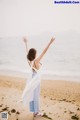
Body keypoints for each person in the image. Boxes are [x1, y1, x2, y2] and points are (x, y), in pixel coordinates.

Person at [22, 37, 55, 117]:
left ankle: (34, 111)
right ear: (34, 54)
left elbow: (27, 53)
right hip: (36, 80)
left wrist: (26, 43)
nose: (37, 54)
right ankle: (36, 112)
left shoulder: (30, 61)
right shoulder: (36, 61)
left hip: (32, 79)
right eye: (36, 53)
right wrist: (50, 42)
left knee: (33, 95)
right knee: (36, 96)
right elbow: (44, 51)